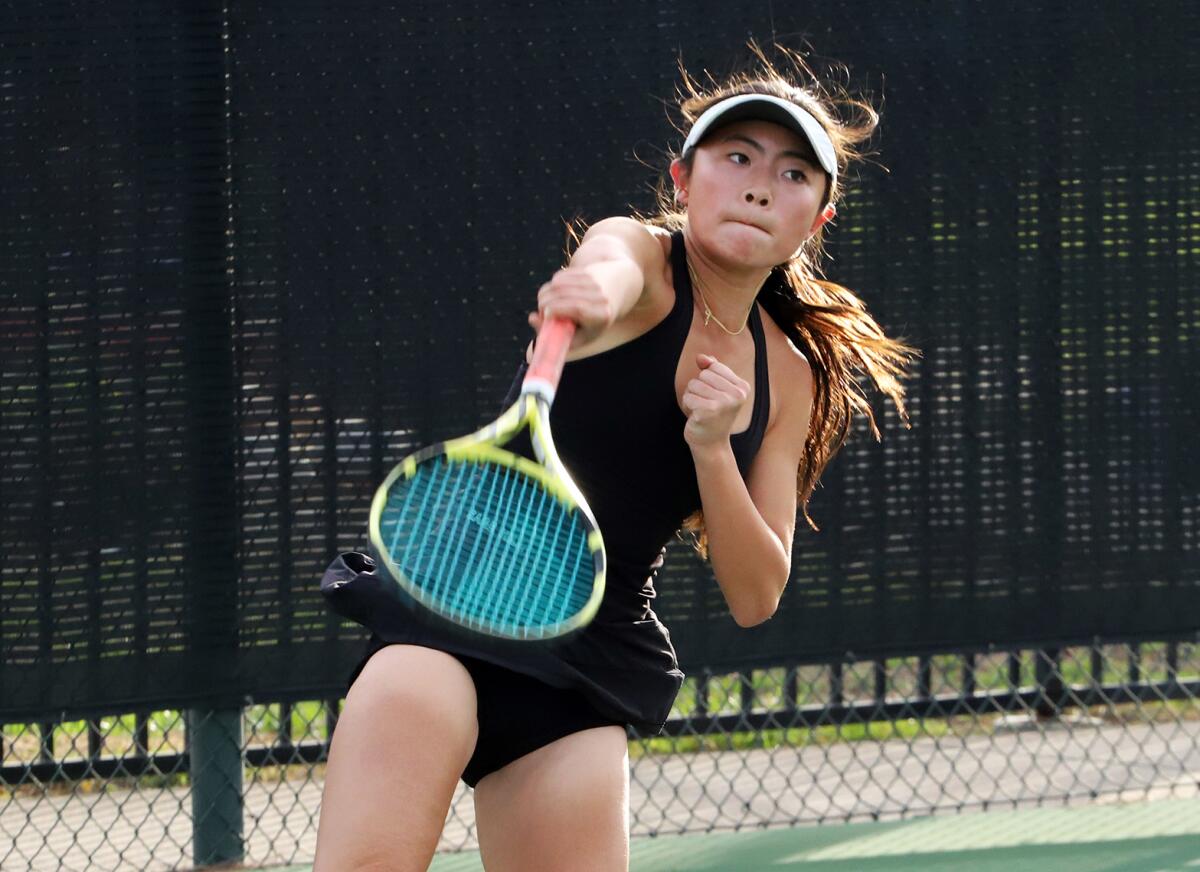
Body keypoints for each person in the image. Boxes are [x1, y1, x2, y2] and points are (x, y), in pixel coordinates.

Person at [313, 43, 915, 872]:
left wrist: (712, 451)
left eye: (790, 174)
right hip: (448, 620)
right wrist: (591, 297)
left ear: (817, 220)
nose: (756, 184)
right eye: (735, 157)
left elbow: (755, 592)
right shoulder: (636, 253)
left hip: (582, 666)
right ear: (682, 178)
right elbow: (606, 272)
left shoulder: (792, 376)